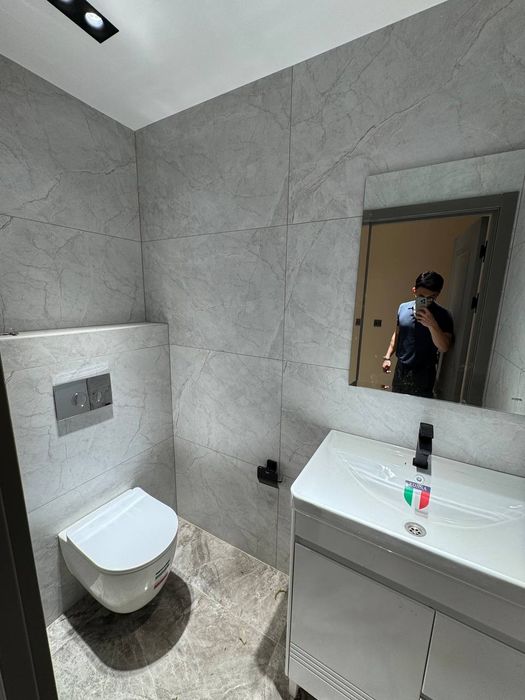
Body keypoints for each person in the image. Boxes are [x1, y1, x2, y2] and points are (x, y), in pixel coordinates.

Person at [382, 271, 453, 398]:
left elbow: (444, 347)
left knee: (419, 408)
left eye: (430, 298)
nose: (425, 301)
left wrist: (432, 324)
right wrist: (387, 357)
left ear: (437, 295)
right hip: (401, 368)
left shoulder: (443, 315)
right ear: (414, 290)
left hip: (424, 373)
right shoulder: (403, 308)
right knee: (396, 405)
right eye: (421, 296)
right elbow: (397, 333)